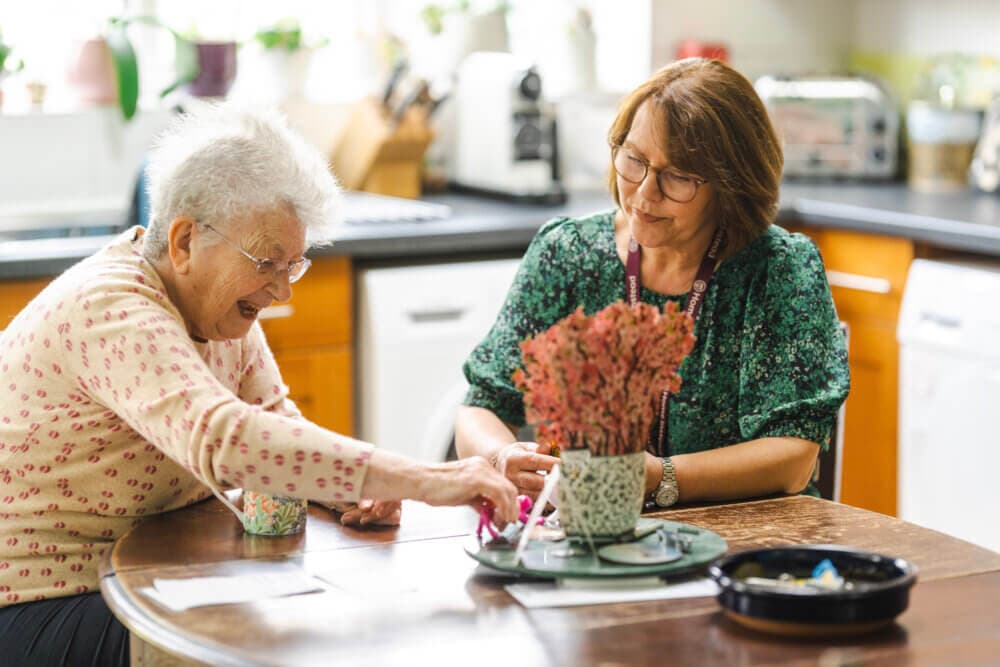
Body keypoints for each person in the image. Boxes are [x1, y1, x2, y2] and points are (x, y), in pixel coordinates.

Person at [0, 105, 518, 667]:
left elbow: (275, 424)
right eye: (267, 262)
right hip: (42, 601)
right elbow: (228, 440)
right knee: (248, 646)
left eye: (292, 266)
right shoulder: (112, 309)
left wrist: (353, 488)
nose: (282, 292)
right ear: (183, 242)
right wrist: (425, 478)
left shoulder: (217, 312)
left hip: (134, 570)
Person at [456, 57, 849, 507]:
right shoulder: (568, 254)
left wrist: (656, 476)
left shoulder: (777, 269)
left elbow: (792, 459)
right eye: (635, 160)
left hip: (745, 545)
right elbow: (480, 405)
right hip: (590, 539)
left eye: (677, 176)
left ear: (732, 184)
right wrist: (500, 455)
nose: (644, 193)